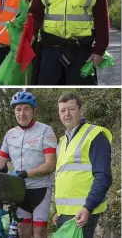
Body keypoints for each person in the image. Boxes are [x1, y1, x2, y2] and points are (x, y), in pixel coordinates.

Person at [0, 91, 57, 238]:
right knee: (23, 232)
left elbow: (51, 165)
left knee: (39, 233)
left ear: (34, 111)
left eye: (26, 109)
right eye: (18, 109)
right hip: (19, 192)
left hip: (41, 189)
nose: (22, 113)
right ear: (14, 112)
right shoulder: (10, 134)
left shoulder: (45, 130)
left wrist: (27, 173)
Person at [53, 92, 112, 238]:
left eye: (71, 109)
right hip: (65, 213)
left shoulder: (95, 135)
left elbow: (103, 176)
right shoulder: (61, 142)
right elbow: (63, 177)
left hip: (84, 213)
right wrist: (59, 212)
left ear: (81, 110)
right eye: (63, 110)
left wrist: (88, 207)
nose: (67, 114)